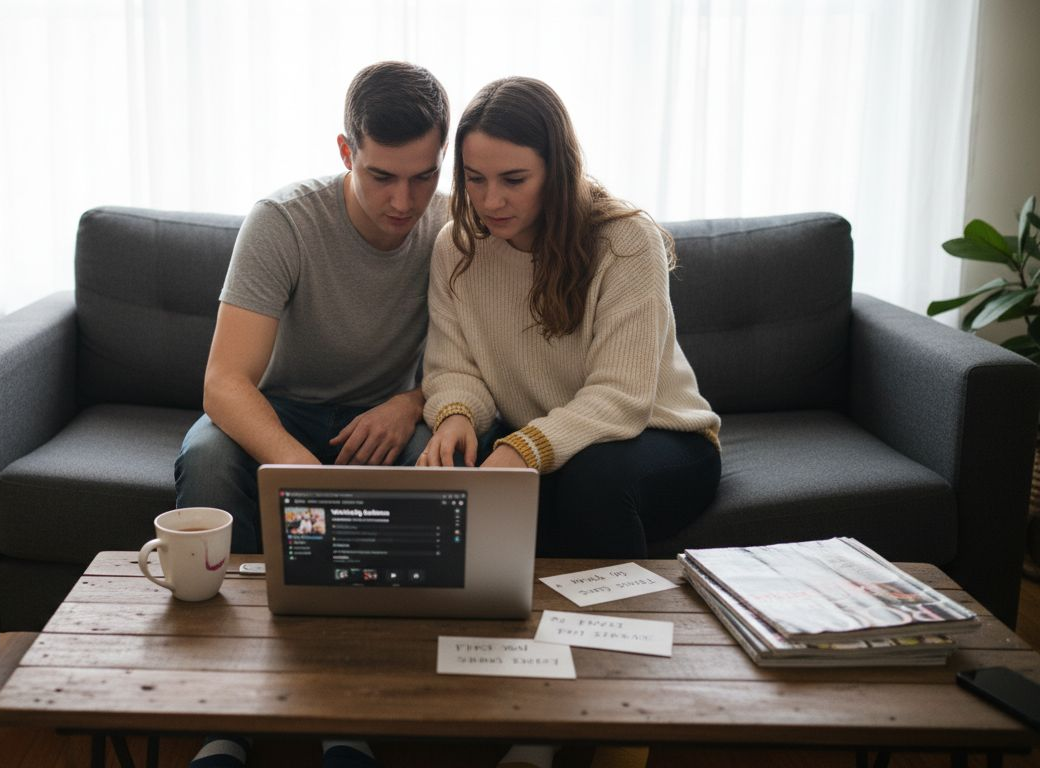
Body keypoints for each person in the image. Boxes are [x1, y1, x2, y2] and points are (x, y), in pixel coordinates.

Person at [416, 77, 721, 768]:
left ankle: (619, 726)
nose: (491, 201)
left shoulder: (624, 240)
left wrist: (523, 449)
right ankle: (521, 707)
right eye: (474, 179)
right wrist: (457, 415)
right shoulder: (455, 246)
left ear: (557, 166)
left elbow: (620, 397)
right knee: (478, 478)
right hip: (553, 445)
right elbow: (452, 363)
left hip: (663, 440)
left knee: (582, 482)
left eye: (514, 179)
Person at [178, 61, 451, 768]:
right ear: (345, 152)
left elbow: (476, 360)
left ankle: (348, 716)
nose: (403, 201)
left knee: (440, 462)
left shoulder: (455, 229)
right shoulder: (284, 221)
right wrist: (296, 465)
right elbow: (224, 382)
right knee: (207, 458)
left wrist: (410, 400)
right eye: (382, 175)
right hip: (282, 411)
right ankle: (222, 720)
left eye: (423, 177)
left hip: (386, 418)